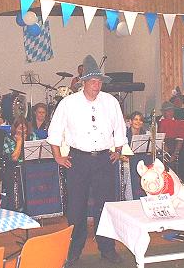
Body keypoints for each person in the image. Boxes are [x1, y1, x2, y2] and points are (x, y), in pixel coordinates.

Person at [47, 55, 127, 266]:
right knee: (76, 208)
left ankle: (107, 249)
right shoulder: (68, 103)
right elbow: (54, 131)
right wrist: (57, 156)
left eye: (99, 81)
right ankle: (74, 249)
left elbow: (120, 128)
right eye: (92, 81)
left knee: (106, 207)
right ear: (83, 82)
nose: (96, 85)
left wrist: (118, 149)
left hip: (104, 161)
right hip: (78, 161)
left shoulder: (111, 102)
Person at [2, 116, 32, 211]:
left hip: (29, 169)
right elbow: (14, 158)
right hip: (13, 170)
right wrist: (19, 141)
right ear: (15, 128)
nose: (22, 131)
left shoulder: (32, 136)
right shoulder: (8, 139)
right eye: (19, 128)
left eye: (24, 128)